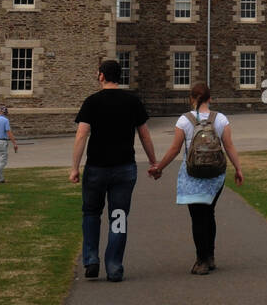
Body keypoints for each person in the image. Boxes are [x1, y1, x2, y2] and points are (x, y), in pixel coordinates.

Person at [70, 59, 156, 283]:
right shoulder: (132, 102)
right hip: (124, 168)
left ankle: (91, 260)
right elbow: (145, 135)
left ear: (101, 76)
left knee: (91, 214)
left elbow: (81, 135)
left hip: (96, 167)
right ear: (120, 77)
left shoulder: (92, 102)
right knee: (118, 216)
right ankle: (114, 265)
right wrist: (153, 162)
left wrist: (74, 167)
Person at [149, 81, 243, 275]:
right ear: (210, 99)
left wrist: (159, 167)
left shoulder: (184, 121)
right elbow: (229, 146)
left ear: (191, 99)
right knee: (209, 214)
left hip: (192, 174)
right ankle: (210, 256)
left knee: (198, 218)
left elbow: (175, 149)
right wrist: (238, 168)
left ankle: (201, 261)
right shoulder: (221, 119)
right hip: (216, 175)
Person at [0, 106, 19, 184]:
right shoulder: (5, 120)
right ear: (5, 113)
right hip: (2, 141)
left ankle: (1, 178)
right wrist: (14, 143)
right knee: (3, 162)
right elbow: (8, 132)